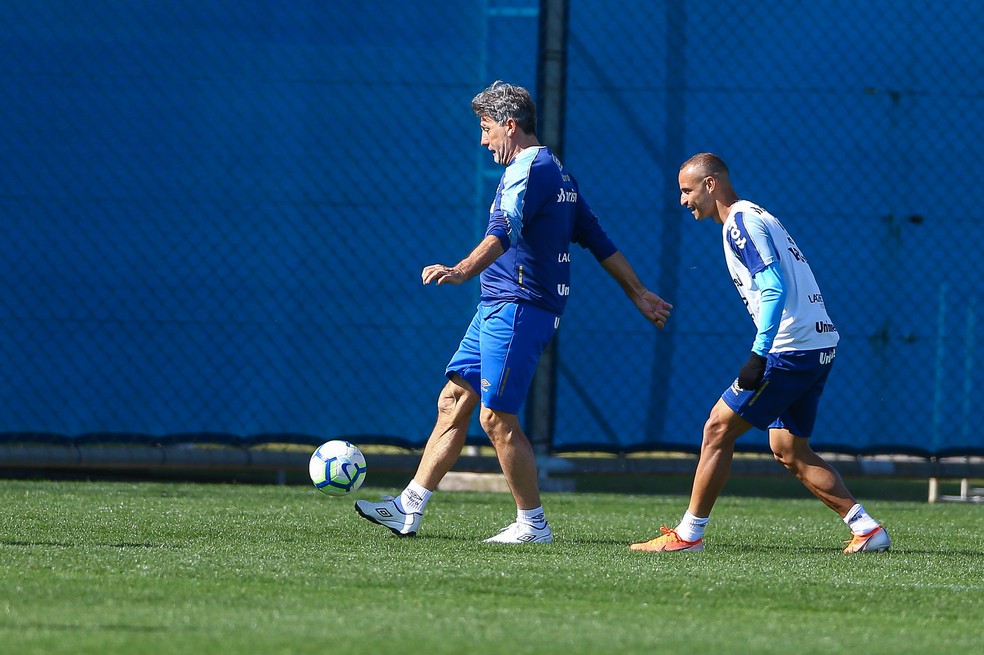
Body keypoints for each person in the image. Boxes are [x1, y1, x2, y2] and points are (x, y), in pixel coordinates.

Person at [355, 80, 672, 544]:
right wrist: (638, 292)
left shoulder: (529, 168)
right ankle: (409, 506)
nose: (483, 141)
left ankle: (532, 525)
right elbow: (596, 239)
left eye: (486, 129)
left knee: (495, 417)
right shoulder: (557, 171)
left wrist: (461, 270)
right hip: (498, 305)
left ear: (510, 124)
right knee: (453, 399)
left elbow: (504, 228)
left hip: (519, 306)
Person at [630, 152, 890, 554]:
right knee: (789, 450)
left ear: (711, 184)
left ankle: (688, 536)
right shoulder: (756, 215)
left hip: (790, 349)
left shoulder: (740, 222)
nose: (683, 200)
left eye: (687, 190)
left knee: (717, 429)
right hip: (817, 344)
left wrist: (758, 354)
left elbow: (773, 287)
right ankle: (867, 529)